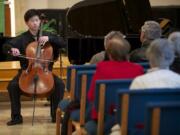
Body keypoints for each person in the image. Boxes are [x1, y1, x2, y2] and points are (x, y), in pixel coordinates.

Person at [3, 9, 65, 126]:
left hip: (45, 72)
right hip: (27, 72)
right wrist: (12, 49)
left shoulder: (48, 35)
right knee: (12, 86)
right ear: (27, 23)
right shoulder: (22, 38)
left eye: (37, 20)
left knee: (60, 84)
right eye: (32, 21)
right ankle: (16, 117)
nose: (35, 23)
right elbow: (6, 46)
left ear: (40, 22)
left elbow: (62, 42)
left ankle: (55, 116)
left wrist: (49, 39)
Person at [85, 35, 144, 135]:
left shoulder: (102, 67)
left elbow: (91, 96)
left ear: (110, 54)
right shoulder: (138, 69)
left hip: (105, 119)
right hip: (131, 118)